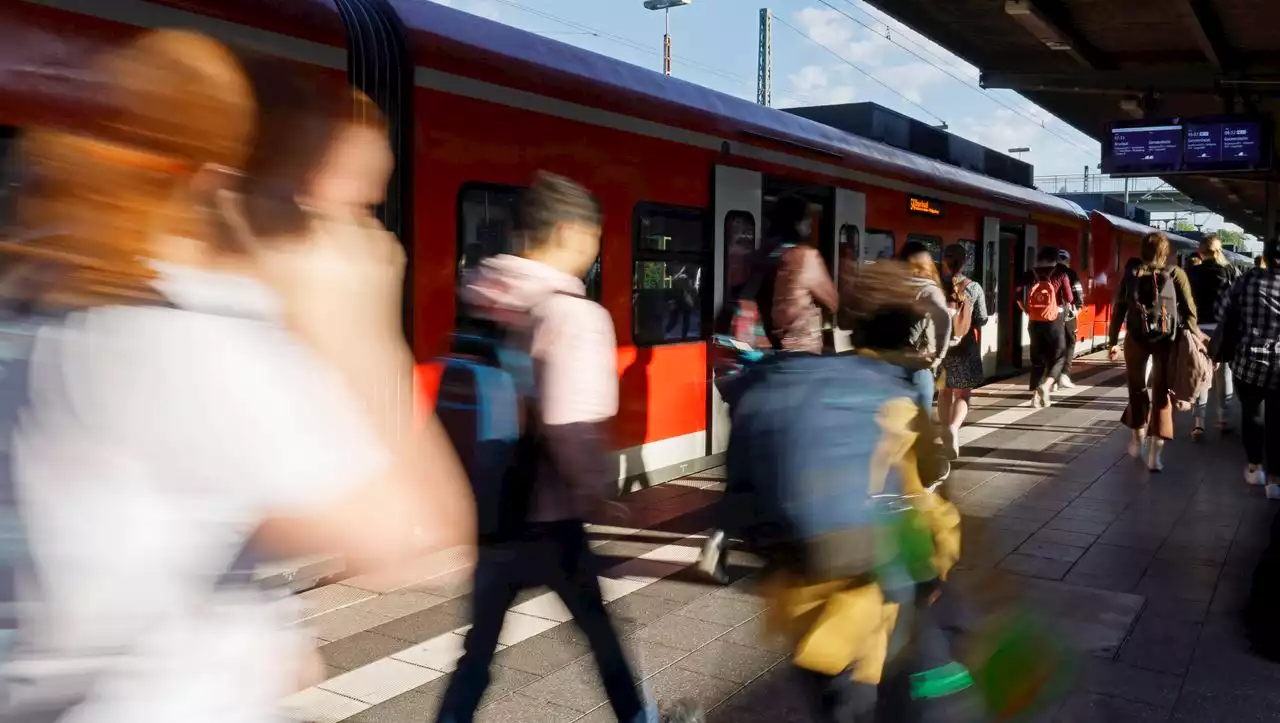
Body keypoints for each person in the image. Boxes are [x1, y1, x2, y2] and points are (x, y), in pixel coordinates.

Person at [0, 31, 474, 723]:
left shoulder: (43, 304)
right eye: (335, 212)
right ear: (225, 193)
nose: (368, 241)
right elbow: (412, 537)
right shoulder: (193, 343)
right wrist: (358, 328)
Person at [437, 172, 661, 723]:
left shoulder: (481, 300)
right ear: (567, 232)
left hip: (494, 513)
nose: (593, 252)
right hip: (551, 517)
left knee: (478, 652)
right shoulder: (573, 315)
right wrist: (596, 494)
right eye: (592, 238)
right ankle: (640, 719)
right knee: (603, 636)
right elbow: (570, 427)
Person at [1108, 232, 1197, 472]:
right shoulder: (1177, 274)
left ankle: (1137, 442)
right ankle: (1155, 457)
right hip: (1166, 342)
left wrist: (1112, 341)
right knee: (1161, 394)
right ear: (1166, 252)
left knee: (1137, 390)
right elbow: (1189, 312)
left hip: (1136, 339)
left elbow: (1118, 309)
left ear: (1142, 250)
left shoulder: (1131, 274)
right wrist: (1197, 340)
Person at [1212, 236, 1280, 495]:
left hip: (1248, 362)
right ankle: (1275, 480)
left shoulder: (1248, 279)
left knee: (1252, 416)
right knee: (1278, 421)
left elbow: (1221, 310)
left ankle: (1255, 469)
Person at [756, 195, 838, 355]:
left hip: (770, 346)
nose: (811, 223)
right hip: (801, 349)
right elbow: (832, 301)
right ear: (796, 223)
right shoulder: (806, 257)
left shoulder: (765, 254)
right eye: (807, 219)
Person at [938, 243, 989, 460]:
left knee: (943, 391)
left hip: (940, 346)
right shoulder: (973, 287)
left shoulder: (936, 285)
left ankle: (943, 433)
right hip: (964, 345)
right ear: (964, 261)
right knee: (962, 393)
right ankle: (953, 428)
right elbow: (982, 318)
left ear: (944, 261)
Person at [1187, 233, 1239, 439]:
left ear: (1200, 252)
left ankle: (1199, 423)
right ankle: (1222, 418)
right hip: (1223, 329)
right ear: (1219, 250)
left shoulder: (1192, 272)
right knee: (1223, 374)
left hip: (1198, 330)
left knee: (1201, 375)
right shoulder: (1231, 271)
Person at [898, 241, 952, 416]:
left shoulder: (890, 284)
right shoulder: (928, 290)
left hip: (887, 362)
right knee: (920, 424)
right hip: (916, 365)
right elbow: (944, 319)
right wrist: (938, 357)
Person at [1016, 246, 1074, 408]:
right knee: (1059, 357)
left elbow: (1017, 293)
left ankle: (1035, 397)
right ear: (1055, 258)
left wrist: (1026, 309)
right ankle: (1046, 386)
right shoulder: (1061, 273)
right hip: (1055, 321)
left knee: (1038, 360)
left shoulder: (1030, 273)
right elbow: (1069, 298)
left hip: (1034, 322)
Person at [1054, 249, 1085, 389]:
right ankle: (1064, 375)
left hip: (1049, 316)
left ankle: (1051, 378)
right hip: (1067, 315)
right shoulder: (1070, 273)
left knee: (1053, 345)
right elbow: (1078, 294)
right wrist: (1078, 308)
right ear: (1067, 261)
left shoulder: (1048, 272)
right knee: (1070, 342)